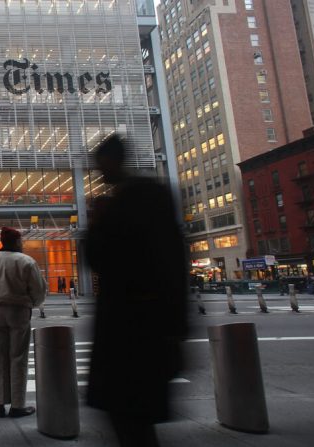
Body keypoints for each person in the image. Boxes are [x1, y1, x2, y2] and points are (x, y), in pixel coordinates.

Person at [84, 136, 187, 447]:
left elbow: (98, 258)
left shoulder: (122, 203)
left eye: (101, 167)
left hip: (128, 328)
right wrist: (177, 328)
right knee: (135, 417)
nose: (99, 174)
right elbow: (175, 260)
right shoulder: (154, 195)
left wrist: (96, 222)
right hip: (149, 324)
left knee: (128, 416)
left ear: (113, 161)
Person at [0, 227, 46, 418]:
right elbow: (39, 291)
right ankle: (18, 406)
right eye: (20, 241)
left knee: (1, 358)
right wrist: (32, 304)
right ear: (16, 242)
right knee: (18, 358)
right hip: (19, 312)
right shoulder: (26, 261)